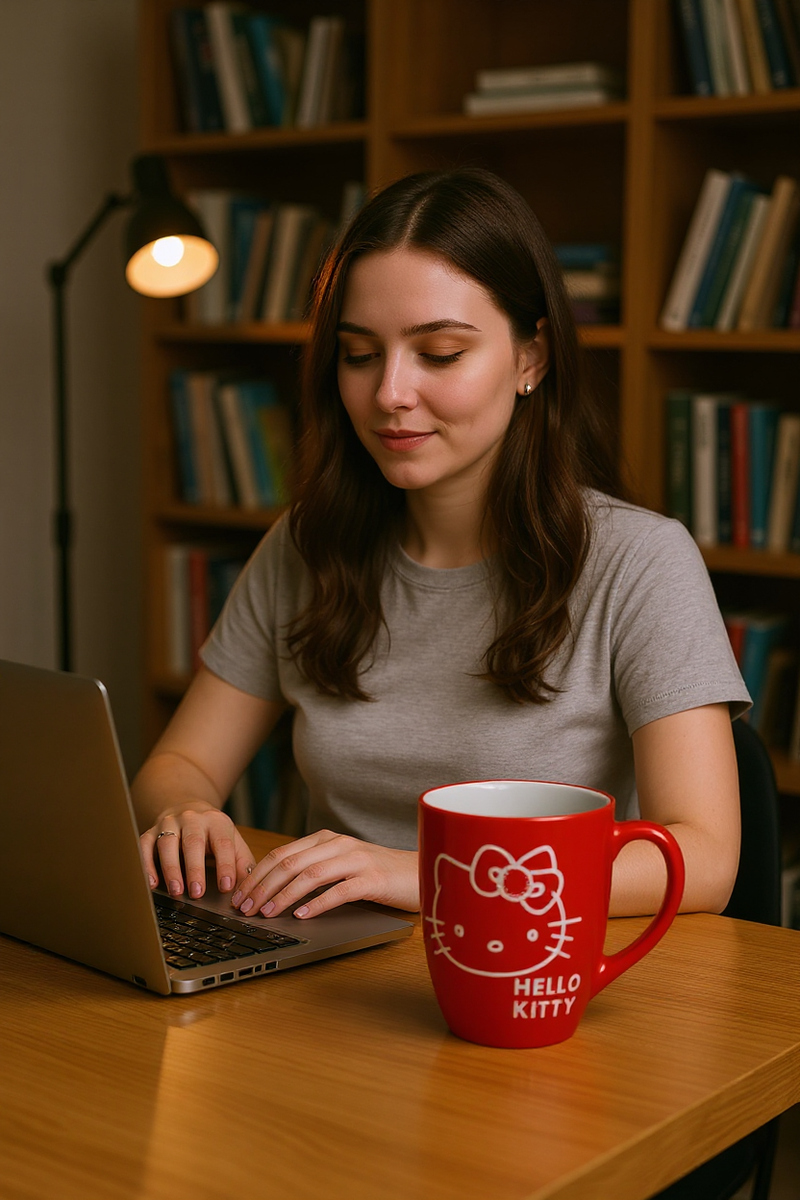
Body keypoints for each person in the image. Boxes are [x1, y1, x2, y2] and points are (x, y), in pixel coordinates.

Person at [131, 167, 749, 926]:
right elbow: (177, 764)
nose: (390, 392)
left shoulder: (639, 562)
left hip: (526, 975)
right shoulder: (305, 545)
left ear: (532, 358)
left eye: (441, 353)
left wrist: (420, 875)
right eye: (359, 354)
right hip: (330, 975)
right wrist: (187, 811)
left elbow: (705, 859)